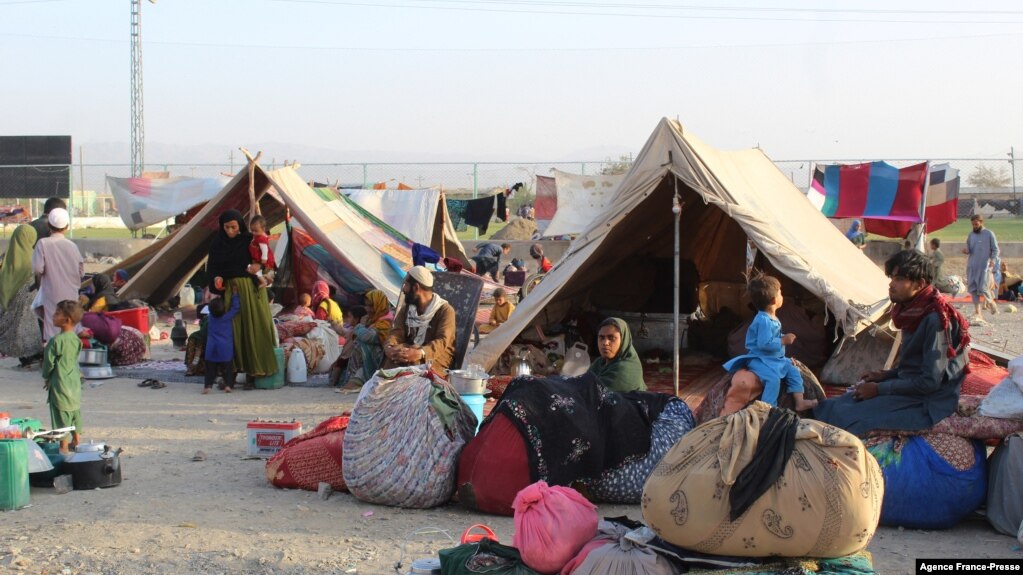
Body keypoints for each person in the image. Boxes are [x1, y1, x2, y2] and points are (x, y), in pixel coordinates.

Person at [813, 249, 970, 437]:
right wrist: (885, 376)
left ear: (919, 284)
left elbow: (930, 381)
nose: (891, 284)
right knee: (832, 405)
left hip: (928, 401)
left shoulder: (935, 320)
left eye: (899, 279)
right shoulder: (913, 311)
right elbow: (916, 365)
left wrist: (879, 389)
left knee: (846, 417)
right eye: (892, 278)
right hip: (911, 389)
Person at [722, 275, 817, 412]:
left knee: (793, 370)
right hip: (760, 359)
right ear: (773, 300)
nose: (782, 296)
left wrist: (783, 337)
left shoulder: (771, 318)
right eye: (780, 293)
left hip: (773, 359)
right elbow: (764, 344)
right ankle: (767, 408)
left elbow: (773, 337)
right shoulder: (763, 320)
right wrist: (783, 340)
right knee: (773, 380)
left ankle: (799, 401)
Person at [206, 209, 277, 385]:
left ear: (240, 226)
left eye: (233, 227)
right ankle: (232, 373)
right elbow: (213, 268)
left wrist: (263, 271)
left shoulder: (249, 240)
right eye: (227, 227)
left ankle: (255, 373)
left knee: (254, 329)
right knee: (233, 332)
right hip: (232, 291)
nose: (230, 231)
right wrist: (217, 278)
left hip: (253, 291)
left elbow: (268, 261)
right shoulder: (217, 244)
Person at [383, 266, 456, 374]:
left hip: (436, 357)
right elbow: (396, 332)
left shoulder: (445, 311)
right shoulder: (407, 308)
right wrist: (390, 347)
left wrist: (420, 353)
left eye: (406, 285)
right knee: (393, 359)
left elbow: (442, 341)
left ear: (416, 287)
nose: (403, 289)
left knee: (414, 367)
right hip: (410, 351)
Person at [32, 208, 83, 343]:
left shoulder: (42, 243)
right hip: (72, 292)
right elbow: (81, 271)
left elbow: (37, 268)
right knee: (71, 323)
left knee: (53, 323)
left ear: (49, 225)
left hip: (51, 291)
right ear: (66, 227)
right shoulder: (73, 246)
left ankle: (54, 355)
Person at [42, 299, 83, 453]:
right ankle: (77, 440)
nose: (53, 316)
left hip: (60, 383)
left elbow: (48, 364)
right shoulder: (76, 339)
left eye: (57, 313)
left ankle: (64, 447)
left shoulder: (55, 341)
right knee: (74, 411)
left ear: (66, 320)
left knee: (60, 414)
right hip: (74, 381)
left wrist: (46, 377)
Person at [0, 225, 43, 366]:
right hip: (29, 299)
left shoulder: (8, 257)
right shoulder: (34, 257)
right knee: (27, 327)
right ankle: (29, 355)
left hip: (9, 299)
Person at [336, 289, 393, 390]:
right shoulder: (372, 320)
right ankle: (356, 377)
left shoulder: (386, 322)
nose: (367, 309)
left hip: (383, 362)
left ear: (379, 305)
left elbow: (369, 337)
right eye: (366, 305)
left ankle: (363, 377)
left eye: (371, 305)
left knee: (363, 344)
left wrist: (358, 327)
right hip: (370, 361)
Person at [588, 317, 646, 393]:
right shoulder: (600, 362)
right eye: (601, 337)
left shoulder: (626, 368)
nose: (605, 343)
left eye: (611, 338)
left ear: (623, 340)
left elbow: (592, 392)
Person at [962, 214, 999, 322]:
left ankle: (991, 303)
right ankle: (978, 312)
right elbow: (969, 249)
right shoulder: (971, 235)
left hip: (984, 266)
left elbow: (996, 250)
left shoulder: (989, 234)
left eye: (976, 224)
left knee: (983, 287)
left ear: (981, 222)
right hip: (973, 265)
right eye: (973, 224)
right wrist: (966, 251)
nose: (975, 226)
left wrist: (993, 260)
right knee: (973, 289)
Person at [203, 295, 241, 394]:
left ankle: (207, 386)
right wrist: (235, 295)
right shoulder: (227, 317)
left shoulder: (210, 318)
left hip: (211, 348)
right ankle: (228, 385)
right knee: (227, 369)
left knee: (210, 370)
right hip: (225, 348)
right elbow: (236, 308)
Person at [248, 215, 276, 289]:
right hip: (259, 259)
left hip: (263, 260)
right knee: (256, 271)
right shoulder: (258, 236)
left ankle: (264, 281)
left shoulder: (261, 238)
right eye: (252, 230)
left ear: (263, 229)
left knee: (256, 271)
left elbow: (264, 249)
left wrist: (264, 258)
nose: (253, 233)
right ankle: (268, 279)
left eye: (256, 231)